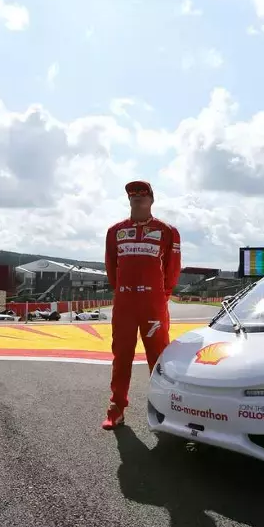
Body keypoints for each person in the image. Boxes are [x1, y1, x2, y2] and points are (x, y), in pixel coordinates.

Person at [101, 180, 181, 430]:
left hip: (152, 303)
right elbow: (111, 266)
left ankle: (164, 408)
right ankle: (117, 408)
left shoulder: (167, 231)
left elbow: (173, 268)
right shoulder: (115, 231)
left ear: (151, 199)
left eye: (142, 193)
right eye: (132, 194)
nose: (137, 196)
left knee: (158, 357)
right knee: (121, 355)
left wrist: (162, 295)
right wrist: (122, 291)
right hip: (124, 303)